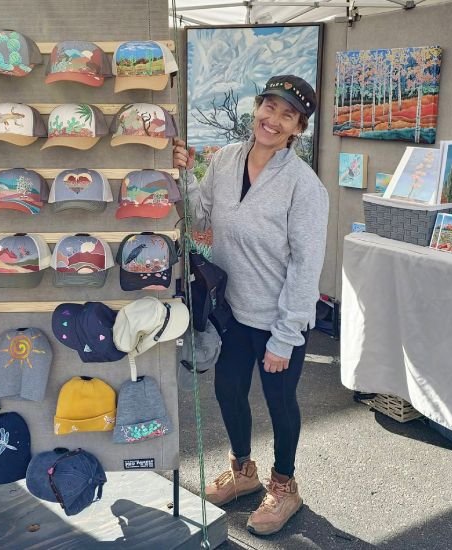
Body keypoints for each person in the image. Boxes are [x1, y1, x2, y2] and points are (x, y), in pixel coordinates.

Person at [173, 74, 329, 536]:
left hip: (279, 318)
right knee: (228, 391)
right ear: (256, 108)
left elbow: (306, 265)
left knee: (280, 403)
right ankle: (244, 472)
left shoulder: (304, 185)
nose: (273, 120)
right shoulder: (224, 160)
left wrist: (285, 336)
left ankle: (284, 486)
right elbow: (199, 214)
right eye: (270, 108)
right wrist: (183, 172)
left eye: (288, 116)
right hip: (232, 311)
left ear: (298, 128)